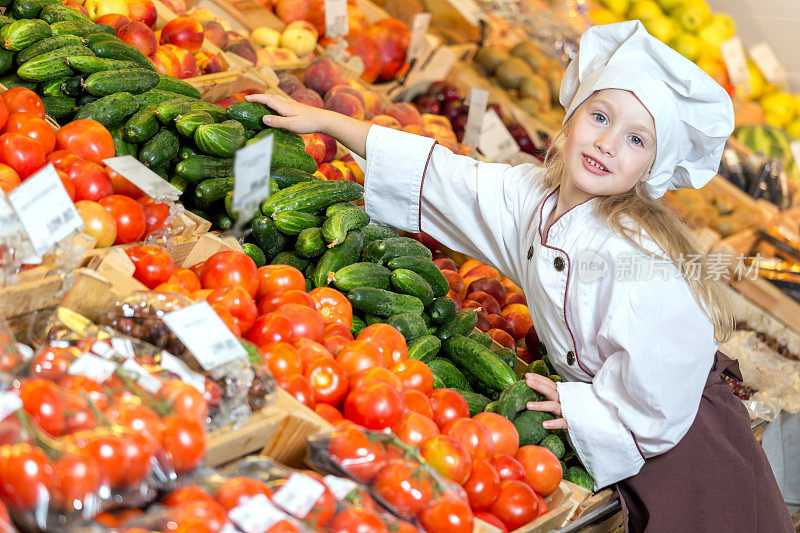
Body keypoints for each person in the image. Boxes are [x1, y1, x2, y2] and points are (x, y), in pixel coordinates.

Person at [247, 20, 793, 532]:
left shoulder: (636, 258)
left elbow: (665, 390)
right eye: (600, 118)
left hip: (686, 447)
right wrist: (328, 123)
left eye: (636, 139)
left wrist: (585, 406)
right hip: (632, 427)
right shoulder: (533, 197)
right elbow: (444, 177)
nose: (607, 144)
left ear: (652, 169)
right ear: (571, 114)